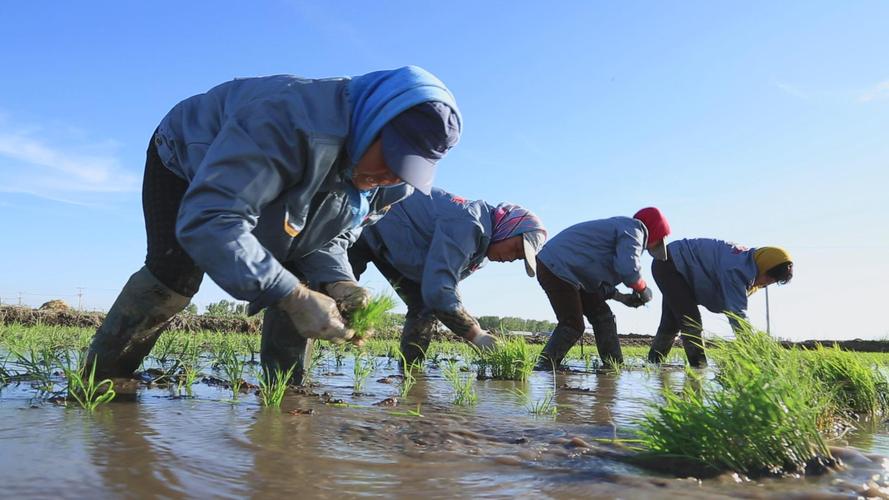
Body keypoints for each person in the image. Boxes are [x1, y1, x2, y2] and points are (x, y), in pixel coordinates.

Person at [87, 66, 462, 383]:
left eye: (408, 169)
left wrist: (339, 280)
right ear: (374, 123)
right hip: (190, 155)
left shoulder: (392, 187)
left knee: (302, 277)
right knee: (175, 275)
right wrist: (293, 296)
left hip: (290, 179)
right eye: (393, 157)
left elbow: (330, 234)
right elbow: (214, 219)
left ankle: (285, 397)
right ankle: (101, 381)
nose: (392, 175)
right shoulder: (285, 120)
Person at [348, 187, 546, 364]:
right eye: (517, 248)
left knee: (424, 306)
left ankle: (411, 376)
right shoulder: (470, 224)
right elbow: (439, 290)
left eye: (519, 258)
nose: (512, 258)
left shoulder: (481, 252)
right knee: (327, 291)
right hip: (367, 221)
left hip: (394, 245)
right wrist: (476, 335)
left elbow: (442, 285)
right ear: (508, 228)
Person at [533, 207, 671, 370]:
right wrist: (643, 289)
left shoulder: (620, 235)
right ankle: (544, 367)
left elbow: (598, 287)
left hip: (571, 273)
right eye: (660, 238)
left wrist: (624, 298)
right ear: (654, 230)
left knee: (604, 317)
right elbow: (629, 270)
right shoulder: (635, 229)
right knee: (572, 324)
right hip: (557, 267)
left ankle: (614, 367)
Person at [647, 239, 793, 367]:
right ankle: (699, 367)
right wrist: (753, 349)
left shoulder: (747, 262)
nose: (765, 284)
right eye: (768, 278)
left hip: (677, 268)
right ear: (764, 266)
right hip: (670, 264)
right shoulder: (737, 269)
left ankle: (653, 364)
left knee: (670, 323)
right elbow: (737, 314)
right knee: (691, 321)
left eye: (771, 282)